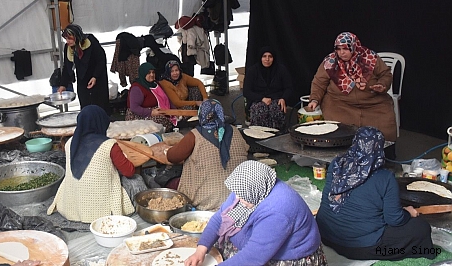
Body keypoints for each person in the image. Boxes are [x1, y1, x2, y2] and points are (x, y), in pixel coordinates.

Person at [316, 127, 434, 261]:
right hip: (359, 247)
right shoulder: (385, 177)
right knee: (421, 228)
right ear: (380, 150)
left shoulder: (337, 164)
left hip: (323, 235)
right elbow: (395, 220)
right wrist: (408, 212)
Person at [185, 161, 325, 266]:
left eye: (242, 197)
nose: (238, 199)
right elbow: (219, 218)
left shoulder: (278, 210)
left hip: (289, 257)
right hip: (257, 248)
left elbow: (253, 257)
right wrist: (201, 250)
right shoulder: (249, 188)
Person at [153, 100, 249, 211]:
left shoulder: (195, 135)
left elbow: (172, 157)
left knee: (171, 183)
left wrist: (166, 149)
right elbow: (245, 149)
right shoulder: (235, 131)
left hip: (208, 201)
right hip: (239, 198)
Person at [48, 105, 136, 223]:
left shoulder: (70, 143)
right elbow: (129, 171)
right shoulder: (109, 145)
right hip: (99, 209)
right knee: (136, 181)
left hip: (71, 206)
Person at [305, 32, 397, 141]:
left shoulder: (370, 57)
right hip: (340, 105)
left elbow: (385, 74)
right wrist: (315, 99)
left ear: (353, 46)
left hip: (372, 104)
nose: (341, 53)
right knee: (337, 132)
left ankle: (383, 155)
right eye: (338, 49)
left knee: (384, 129)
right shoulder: (330, 62)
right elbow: (319, 82)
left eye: (345, 49)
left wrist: (382, 85)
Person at [57, 24, 110, 114]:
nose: (67, 41)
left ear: (77, 37)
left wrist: (95, 77)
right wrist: (63, 84)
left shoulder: (91, 42)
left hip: (97, 79)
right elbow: (67, 66)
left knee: (99, 106)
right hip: (82, 79)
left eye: (70, 38)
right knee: (86, 106)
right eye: (66, 39)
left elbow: (101, 60)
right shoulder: (68, 48)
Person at [243, 46, 292, 129]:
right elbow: (246, 91)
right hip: (258, 100)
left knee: (275, 111)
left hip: (276, 99)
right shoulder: (252, 71)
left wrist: (283, 98)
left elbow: (289, 87)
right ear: (260, 58)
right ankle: (258, 135)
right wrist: (262, 98)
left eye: (270, 56)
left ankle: (277, 135)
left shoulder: (281, 69)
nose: (267, 59)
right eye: (264, 56)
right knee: (260, 111)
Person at [126, 62, 176, 132]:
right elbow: (134, 108)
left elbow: (166, 98)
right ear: (143, 74)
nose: (152, 75)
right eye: (149, 73)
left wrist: (174, 110)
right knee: (161, 121)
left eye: (153, 72)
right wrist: (151, 112)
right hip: (140, 115)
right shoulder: (137, 88)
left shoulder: (155, 84)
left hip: (157, 111)